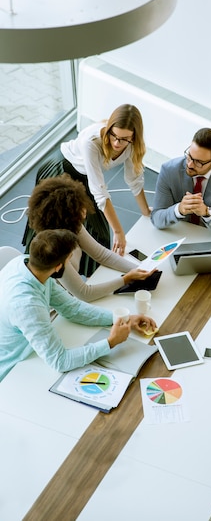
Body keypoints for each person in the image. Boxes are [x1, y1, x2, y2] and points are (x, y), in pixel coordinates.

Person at [0, 229, 156, 383]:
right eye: (69, 259)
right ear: (58, 267)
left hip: (32, 349)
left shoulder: (28, 263)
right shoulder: (28, 306)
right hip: (14, 370)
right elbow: (60, 361)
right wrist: (111, 342)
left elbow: (72, 308)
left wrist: (122, 318)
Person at [22, 104, 151, 276]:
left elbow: (134, 180)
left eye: (124, 139)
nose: (117, 143)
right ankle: (38, 267)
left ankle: (90, 277)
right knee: (53, 227)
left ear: (134, 137)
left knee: (100, 235)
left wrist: (147, 213)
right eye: (113, 135)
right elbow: (100, 192)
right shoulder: (92, 141)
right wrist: (119, 232)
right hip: (61, 171)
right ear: (110, 128)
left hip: (85, 178)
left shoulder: (132, 145)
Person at [24, 174, 156, 302]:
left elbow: (102, 255)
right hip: (58, 306)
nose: (85, 210)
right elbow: (84, 293)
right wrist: (126, 279)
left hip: (72, 296)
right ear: (66, 216)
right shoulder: (54, 248)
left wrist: (142, 268)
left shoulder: (74, 227)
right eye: (78, 207)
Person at [151, 127, 211, 238]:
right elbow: (156, 218)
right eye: (189, 157)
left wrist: (206, 212)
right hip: (178, 231)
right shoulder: (169, 170)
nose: (189, 165)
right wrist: (179, 209)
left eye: (199, 162)